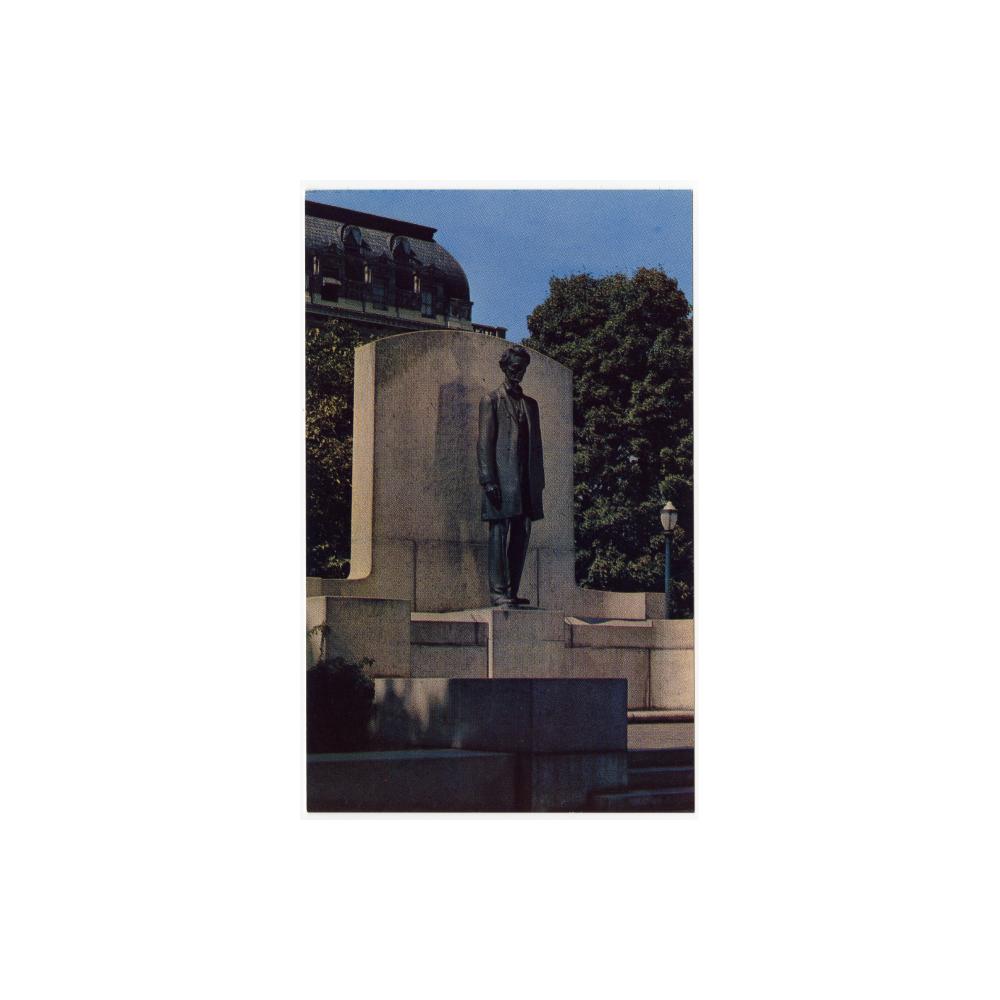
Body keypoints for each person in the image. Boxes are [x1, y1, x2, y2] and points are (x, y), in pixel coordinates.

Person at [477, 345, 545, 607]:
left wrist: (539, 483)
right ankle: (498, 593)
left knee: (522, 532)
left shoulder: (531, 405)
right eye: (515, 368)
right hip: (501, 482)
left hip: (527, 482)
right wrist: (488, 480)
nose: (519, 373)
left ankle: (512, 592)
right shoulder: (491, 400)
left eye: (523, 369)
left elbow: (536, 446)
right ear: (505, 367)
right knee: (499, 532)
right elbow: (484, 444)